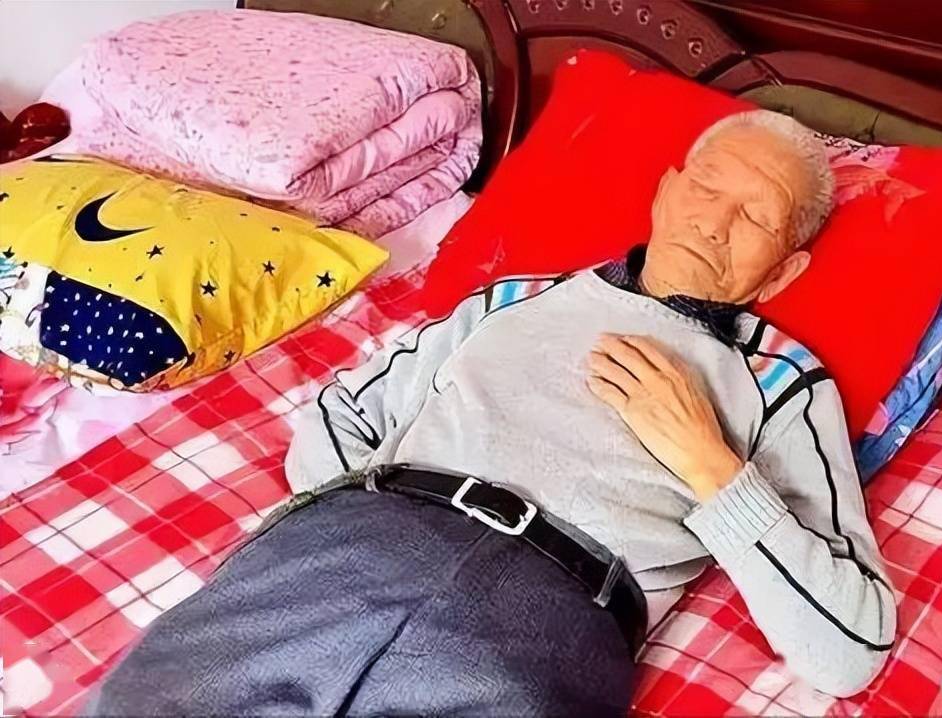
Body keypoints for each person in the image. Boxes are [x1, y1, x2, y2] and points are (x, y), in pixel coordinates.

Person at [85, 110, 896, 716]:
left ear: (783, 271)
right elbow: (339, 417)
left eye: (754, 217)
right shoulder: (512, 301)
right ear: (666, 190)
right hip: (347, 547)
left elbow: (849, 648)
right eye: (708, 187)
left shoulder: (783, 381)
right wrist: (367, 518)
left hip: (546, 616)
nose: (713, 222)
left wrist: (712, 467)